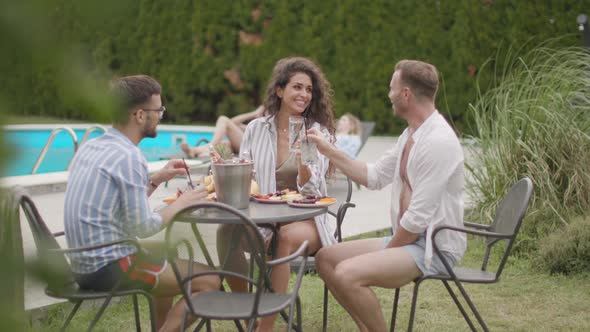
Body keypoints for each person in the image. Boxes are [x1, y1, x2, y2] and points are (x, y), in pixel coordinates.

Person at [307, 60, 467, 332]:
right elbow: (374, 176)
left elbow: (417, 219)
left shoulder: (438, 141)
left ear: (406, 94)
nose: (388, 94)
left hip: (432, 248)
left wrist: (387, 251)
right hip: (408, 239)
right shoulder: (411, 134)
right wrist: (328, 150)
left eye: (392, 88)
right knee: (326, 259)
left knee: (346, 273)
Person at [64, 75, 220, 332]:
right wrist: (183, 203)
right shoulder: (129, 156)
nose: (161, 115)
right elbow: (143, 226)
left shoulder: (92, 146)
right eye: (158, 110)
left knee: (166, 251)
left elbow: (119, 211)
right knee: (210, 281)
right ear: (139, 115)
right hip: (110, 266)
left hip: (82, 263)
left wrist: (156, 180)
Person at [216, 56, 337, 332]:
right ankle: (247, 310)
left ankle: (264, 327)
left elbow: (313, 190)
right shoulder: (258, 129)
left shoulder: (316, 133)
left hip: (308, 220)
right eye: (297, 87)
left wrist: (303, 160)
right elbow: (247, 174)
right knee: (226, 232)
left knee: (282, 240)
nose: (304, 94)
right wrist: (226, 171)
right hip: (264, 217)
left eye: (309, 89)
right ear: (280, 90)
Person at [180, 105, 264, 158]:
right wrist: (254, 113)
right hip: (244, 146)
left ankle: (208, 147)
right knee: (224, 145)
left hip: (253, 148)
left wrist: (254, 114)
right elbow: (232, 122)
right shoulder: (252, 126)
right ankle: (196, 151)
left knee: (222, 119)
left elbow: (227, 122)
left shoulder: (265, 123)